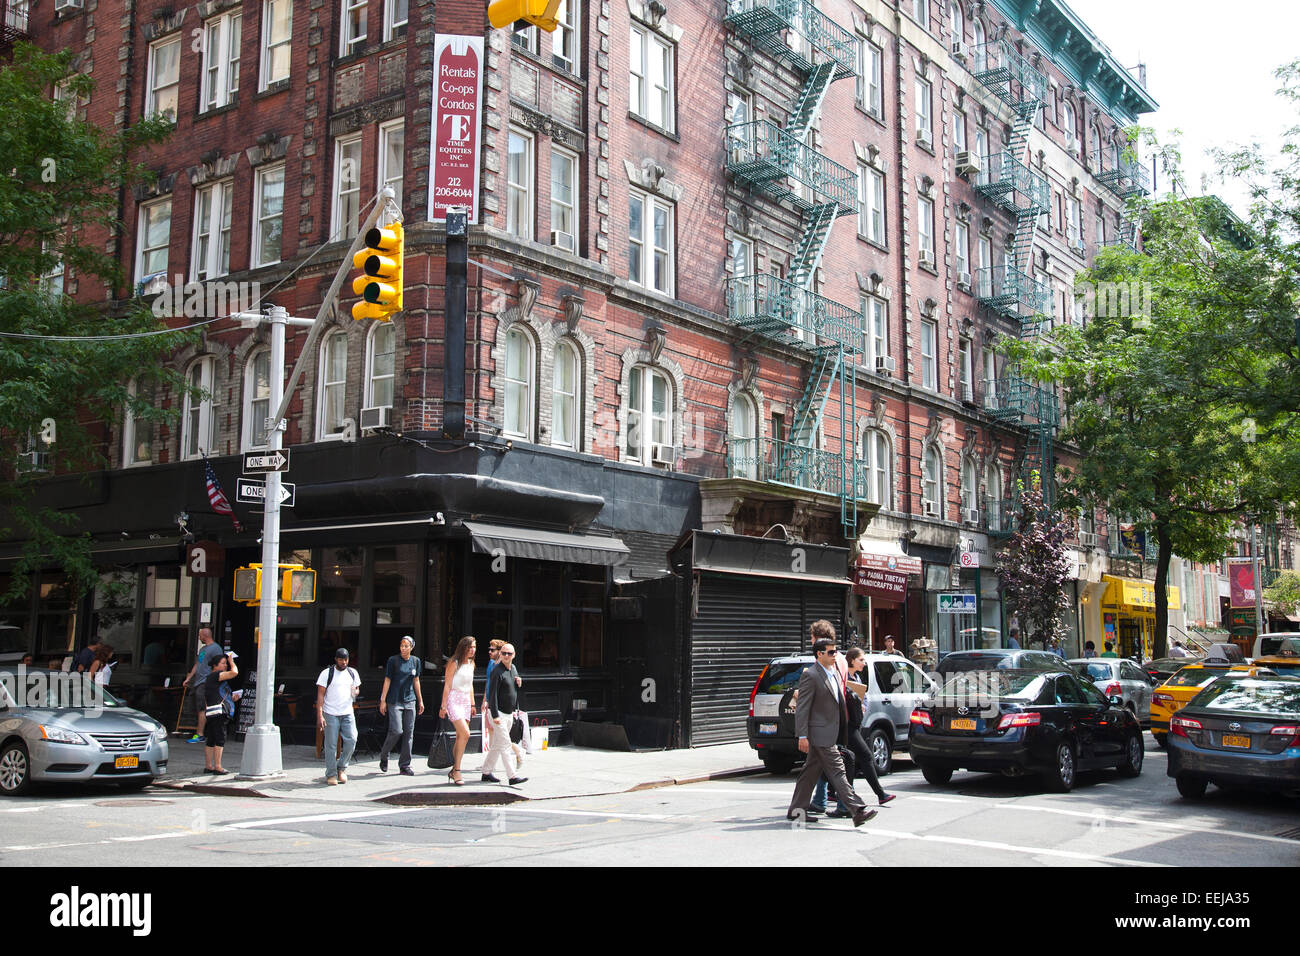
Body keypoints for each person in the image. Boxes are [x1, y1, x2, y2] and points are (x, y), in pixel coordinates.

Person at [786, 636, 877, 827]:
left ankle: (797, 810)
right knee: (838, 770)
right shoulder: (810, 675)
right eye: (831, 652)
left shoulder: (834, 672)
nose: (836, 655)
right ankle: (857, 810)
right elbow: (802, 708)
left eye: (836, 651)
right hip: (819, 734)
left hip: (832, 731)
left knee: (810, 772)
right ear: (820, 654)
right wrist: (802, 735)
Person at [827, 647, 895, 816]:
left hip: (855, 723)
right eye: (861, 660)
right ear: (851, 660)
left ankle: (834, 794)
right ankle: (879, 794)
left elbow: (861, 699)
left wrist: (862, 706)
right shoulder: (842, 678)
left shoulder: (856, 678)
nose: (864, 663)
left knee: (844, 760)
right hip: (846, 725)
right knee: (863, 756)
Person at [806, 619, 848, 814]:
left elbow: (826, 690)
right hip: (838, 716)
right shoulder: (842, 658)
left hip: (826, 719)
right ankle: (820, 800)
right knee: (822, 761)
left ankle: (846, 804)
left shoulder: (825, 659)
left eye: (812, 638)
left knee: (834, 763)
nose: (811, 641)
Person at [378, 636, 425, 776]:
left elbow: (416, 680)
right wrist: (383, 700)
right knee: (397, 730)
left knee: (409, 732)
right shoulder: (393, 661)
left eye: (406, 646)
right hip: (395, 700)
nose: (403, 648)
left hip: (410, 700)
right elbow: (388, 680)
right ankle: (384, 754)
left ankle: (405, 765)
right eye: (402, 645)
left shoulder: (415, 661)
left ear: (412, 647)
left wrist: (420, 700)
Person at [482, 643, 527, 786]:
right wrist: (494, 715)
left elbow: (512, 687)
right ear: (500, 654)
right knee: (506, 745)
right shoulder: (497, 671)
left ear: (514, 655)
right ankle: (512, 776)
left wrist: (518, 682)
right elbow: (493, 695)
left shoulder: (513, 669)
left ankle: (486, 772)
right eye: (503, 653)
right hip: (498, 713)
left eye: (509, 653)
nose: (506, 656)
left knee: (496, 745)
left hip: (508, 713)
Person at [315, 647, 361, 786]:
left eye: (346, 659)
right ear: (336, 659)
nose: (344, 662)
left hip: (347, 712)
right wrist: (320, 715)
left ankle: (341, 767)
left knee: (352, 739)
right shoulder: (326, 673)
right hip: (330, 712)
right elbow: (320, 695)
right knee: (331, 745)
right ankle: (331, 774)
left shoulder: (353, 673)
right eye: (341, 659)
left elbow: (357, 689)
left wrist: (356, 692)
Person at [439, 636, 477, 786]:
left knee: (461, 736)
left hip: (466, 700)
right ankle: (457, 770)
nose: (472, 650)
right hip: (454, 698)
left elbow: (471, 685)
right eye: (470, 647)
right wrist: (443, 706)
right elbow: (447, 685)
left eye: (474, 647)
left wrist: (473, 704)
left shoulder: (471, 663)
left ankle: (454, 769)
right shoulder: (454, 663)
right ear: (463, 648)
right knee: (466, 733)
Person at [184, 628, 224, 743]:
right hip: (198, 681)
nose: (199, 637)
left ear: (204, 635)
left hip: (206, 681)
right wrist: (189, 678)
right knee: (198, 707)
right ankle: (201, 732)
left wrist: (214, 679)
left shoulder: (215, 648)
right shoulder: (203, 649)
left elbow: (219, 665)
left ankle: (200, 734)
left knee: (202, 708)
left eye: (200, 635)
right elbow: (198, 664)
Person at [202, 651, 239, 774]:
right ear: (215, 666)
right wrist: (232, 661)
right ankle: (218, 766)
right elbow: (234, 672)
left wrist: (233, 698)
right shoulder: (216, 675)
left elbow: (219, 694)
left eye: (226, 663)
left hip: (212, 712)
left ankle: (208, 765)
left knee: (211, 738)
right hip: (219, 713)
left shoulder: (212, 678)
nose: (225, 666)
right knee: (220, 738)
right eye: (223, 663)